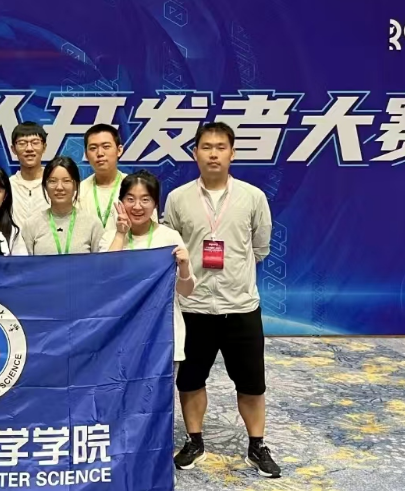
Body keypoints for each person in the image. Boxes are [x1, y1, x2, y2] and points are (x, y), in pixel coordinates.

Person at [162, 122, 279, 478]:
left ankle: (256, 445)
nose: (213, 154)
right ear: (194, 153)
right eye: (206, 147)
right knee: (190, 380)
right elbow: (170, 246)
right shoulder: (178, 198)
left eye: (221, 147)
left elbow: (260, 247)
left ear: (232, 153)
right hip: (194, 307)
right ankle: (194, 440)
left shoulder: (253, 197)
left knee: (252, 383)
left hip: (240, 307)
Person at [103, 171, 196, 361]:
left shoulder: (169, 237)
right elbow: (106, 280)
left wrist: (185, 267)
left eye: (145, 199)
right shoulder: (110, 237)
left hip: (162, 335)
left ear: (155, 204)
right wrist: (120, 235)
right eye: (130, 199)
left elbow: (186, 292)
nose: (137, 206)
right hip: (121, 335)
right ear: (121, 202)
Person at [78, 124, 157, 236]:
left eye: (106, 146)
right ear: (86, 155)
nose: (100, 153)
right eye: (93, 148)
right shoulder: (79, 191)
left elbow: (153, 231)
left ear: (119, 150)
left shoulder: (136, 187)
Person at [21, 156, 104, 255]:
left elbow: (99, 263)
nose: (59, 187)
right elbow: (26, 263)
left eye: (66, 181)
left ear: (76, 185)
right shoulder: (31, 225)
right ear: (45, 186)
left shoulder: (92, 224)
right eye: (53, 181)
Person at [9, 122, 50, 226]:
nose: (29, 149)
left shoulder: (54, 183)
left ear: (44, 147)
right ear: (13, 149)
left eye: (35, 142)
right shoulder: (7, 186)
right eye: (22, 143)